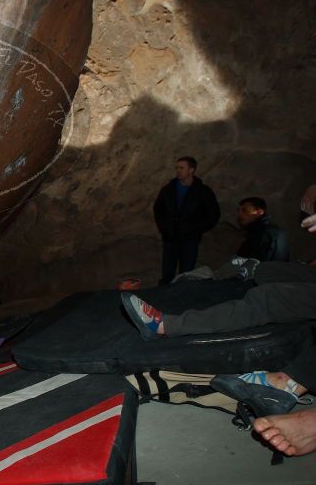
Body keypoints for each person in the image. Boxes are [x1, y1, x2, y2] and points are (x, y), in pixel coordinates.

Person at [123, 185, 316, 456]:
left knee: (271, 297)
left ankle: (286, 384)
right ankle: (251, 271)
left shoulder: (271, 233)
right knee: (266, 273)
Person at [153, 156, 221, 284]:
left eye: (181, 168)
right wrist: (164, 228)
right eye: (177, 168)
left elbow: (213, 214)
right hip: (170, 237)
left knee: (186, 273)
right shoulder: (168, 189)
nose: (178, 171)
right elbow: (158, 210)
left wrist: (195, 229)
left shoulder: (202, 191)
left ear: (191, 170)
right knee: (167, 272)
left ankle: (183, 299)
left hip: (190, 239)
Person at [235, 196, 289, 261]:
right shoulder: (275, 232)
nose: (240, 214)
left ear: (260, 212)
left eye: (245, 210)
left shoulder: (261, 234)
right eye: (238, 210)